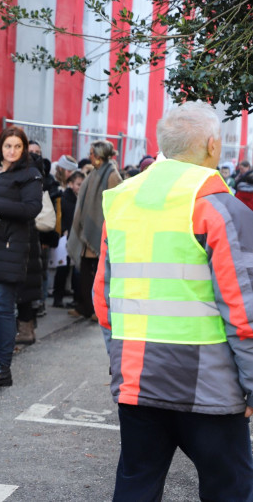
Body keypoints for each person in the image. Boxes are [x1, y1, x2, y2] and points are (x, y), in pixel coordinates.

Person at [93, 100, 253, 501]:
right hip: (211, 387)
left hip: (137, 379)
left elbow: (104, 298)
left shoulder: (122, 200)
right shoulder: (220, 207)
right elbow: (244, 309)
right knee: (230, 490)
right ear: (213, 145)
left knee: (137, 485)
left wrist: (120, 361)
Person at [0, 127, 43, 387]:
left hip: (11, 247)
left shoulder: (30, 173)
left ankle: (2, 368)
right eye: (8, 146)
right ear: (0, 146)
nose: (12, 151)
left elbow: (32, 208)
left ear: (24, 149)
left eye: (17, 146)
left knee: (3, 308)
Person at [67, 140, 122, 325]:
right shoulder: (94, 173)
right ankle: (85, 307)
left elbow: (115, 205)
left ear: (98, 155)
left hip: (100, 235)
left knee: (96, 277)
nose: (89, 156)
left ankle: (96, 310)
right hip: (87, 237)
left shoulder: (112, 175)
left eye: (91, 153)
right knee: (85, 274)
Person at [51, 170, 84, 308]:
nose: (80, 187)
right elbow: (59, 218)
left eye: (82, 184)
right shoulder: (63, 199)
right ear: (70, 184)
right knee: (63, 269)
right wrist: (63, 231)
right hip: (65, 237)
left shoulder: (82, 199)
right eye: (78, 184)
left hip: (77, 238)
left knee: (76, 270)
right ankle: (57, 298)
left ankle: (77, 299)